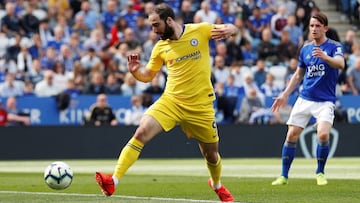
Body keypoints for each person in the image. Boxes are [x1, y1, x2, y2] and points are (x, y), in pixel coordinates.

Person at [95, 3, 237, 202]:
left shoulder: (200, 30)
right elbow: (148, 76)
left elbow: (231, 28)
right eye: (151, 26)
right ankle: (113, 181)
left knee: (211, 155)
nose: (154, 31)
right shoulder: (160, 47)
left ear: (169, 20)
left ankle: (217, 185)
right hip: (171, 101)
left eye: (156, 25)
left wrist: (231, 28)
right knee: (141, 132)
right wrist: (136, 71)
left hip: (200, 107)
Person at [271, 12, 345, 186]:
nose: (314, 29)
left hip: (325, 100)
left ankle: (320, 172)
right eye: (312, 26)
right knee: (291, 135)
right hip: (305, 99)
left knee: (324, 134)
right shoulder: (305, 48)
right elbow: (298, 75)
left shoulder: (334, 46)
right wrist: (284, 94)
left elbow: (341, 64)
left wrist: (325, 57)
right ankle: (283, 176)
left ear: (325, 28)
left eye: (318, 26)